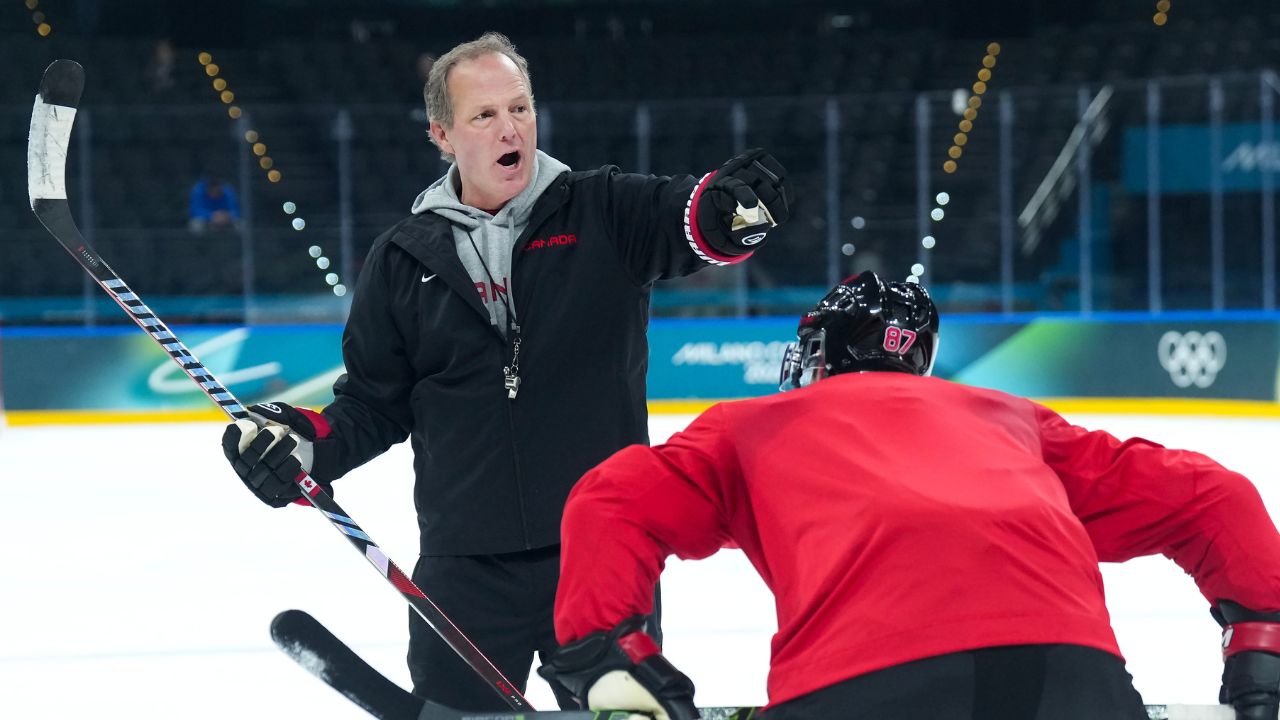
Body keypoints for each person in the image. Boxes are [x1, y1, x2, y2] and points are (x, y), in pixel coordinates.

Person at [220, 31, 792, 712]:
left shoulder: (603, 210)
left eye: (519, 108)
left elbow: (689, 219)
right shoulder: (402, 259)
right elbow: (373, 403)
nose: (509, 127)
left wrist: (730, 211)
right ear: (442, 134)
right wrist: (304, 444)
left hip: (599, 551)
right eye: (484, 115)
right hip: (464, 568)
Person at [538, 271, 1280, 720]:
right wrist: (1262, 642)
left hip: (866, 681)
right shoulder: (1009, 419)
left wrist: (610, 655)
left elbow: (613, 501)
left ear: (815, 355)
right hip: (1071, 676)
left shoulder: (754, 424)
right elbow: (1214, 497)